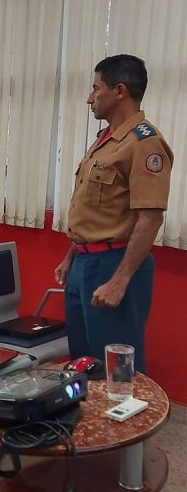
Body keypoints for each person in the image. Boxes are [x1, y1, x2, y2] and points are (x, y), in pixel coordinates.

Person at [54, 55, 173, 374]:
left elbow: (150, 219)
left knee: (118, 370)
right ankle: (85, 424)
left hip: (115, 265)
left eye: (96, 88)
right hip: (84, 263)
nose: (90, 98)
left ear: (119, 90)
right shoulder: (104, 141)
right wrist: (71, 254)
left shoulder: (145, 144)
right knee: (83, 363)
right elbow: (95, 208)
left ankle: (124, 425)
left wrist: (120, 282)